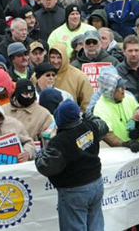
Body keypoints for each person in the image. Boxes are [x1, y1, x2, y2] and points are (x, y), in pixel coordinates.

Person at [36, 99, 108, 231]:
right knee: (96, 226)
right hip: (96, 183)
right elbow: (103, 126)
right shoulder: (90, 126)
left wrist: (40, 153)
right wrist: (89, 115)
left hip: (74, 189)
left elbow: (46, 166)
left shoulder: (60, 141)